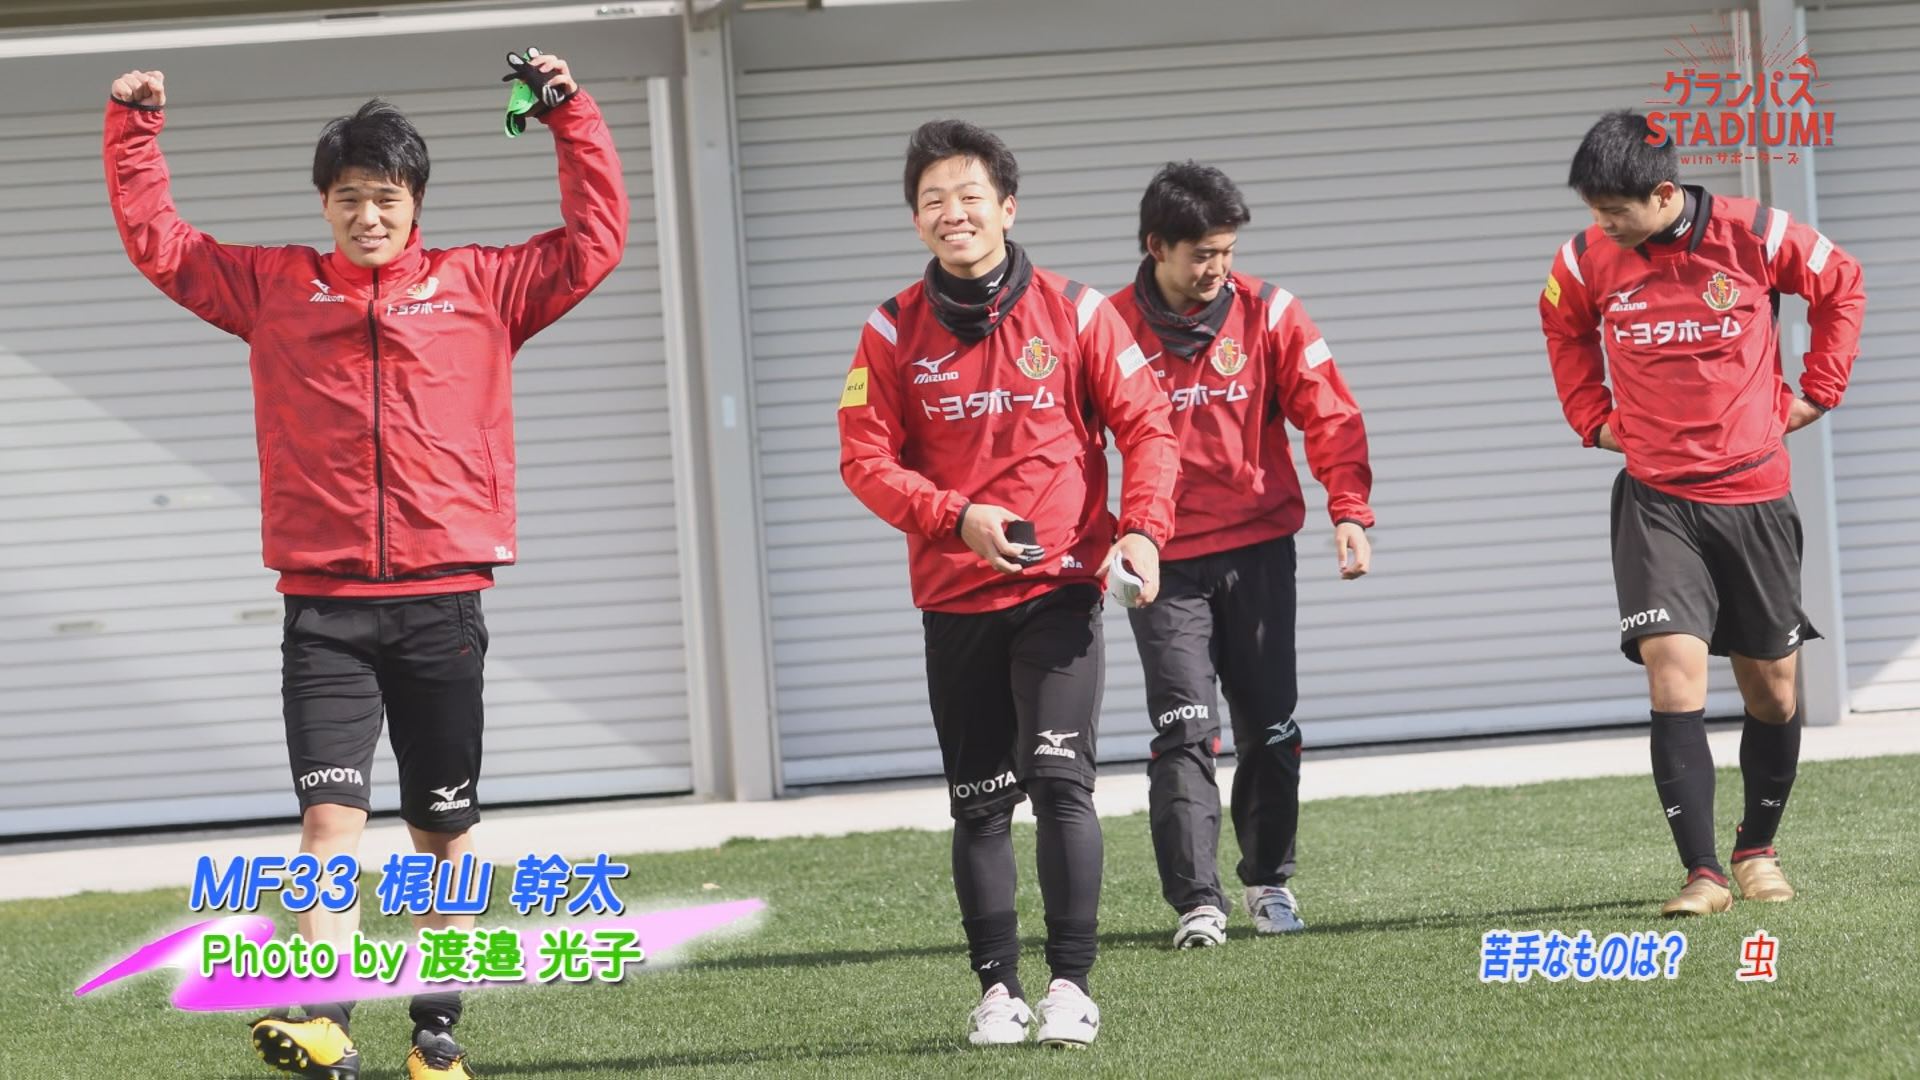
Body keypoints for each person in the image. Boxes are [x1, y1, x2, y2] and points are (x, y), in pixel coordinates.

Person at [104, 51, 627, 1079]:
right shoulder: (274, 288)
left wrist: (569, 113)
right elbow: (165, 247)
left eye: (385, 197)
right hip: (325, 609)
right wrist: (133, 132)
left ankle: (436, 1031)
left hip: (443, 601)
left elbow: (595, 240)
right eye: (348, 198)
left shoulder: (485, 285)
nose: (368, 215)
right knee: (327, 821)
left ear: (415, 201)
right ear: (324, 204)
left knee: (442, 832)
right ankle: (324, 1016)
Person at [837, 119, 1178, 1047]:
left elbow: (1148, 427)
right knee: (982, 802)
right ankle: (997, 991)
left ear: (1007, 207)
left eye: (970, 196)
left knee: (1062, 782)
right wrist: (957, 518)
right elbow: (864, 460)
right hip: (954, 598)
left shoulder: (1078, 312)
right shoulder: (889, 329)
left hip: (1060, 586)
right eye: (933, 201)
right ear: (916, 220)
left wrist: (1142, 531)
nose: (953, 213)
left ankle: (1070, 987)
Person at [1539, 110, 1863, 917]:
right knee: (1672, 672)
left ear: (1662, 193)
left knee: (1773, 692)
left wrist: (1820, 389)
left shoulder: (1755, 234)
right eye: (1594, 212)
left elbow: (1842, 282)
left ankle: (1757, 850)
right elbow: (1563, 328)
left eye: (1614, 211)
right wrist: (1591, 417)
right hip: (1658, 500)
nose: (1602, 226)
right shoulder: (1583, 260)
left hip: (1753, 496)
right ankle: (1702, 872)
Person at [1106, 162, 1374, 948]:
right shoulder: (1107, 325)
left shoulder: (1270, 313)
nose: (1217, 268)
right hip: (1162, 562)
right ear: (1156, 246)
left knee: (1270, 725)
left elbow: (1331, 416)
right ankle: (1198, 903)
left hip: (1259, 551)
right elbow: (1070, 444)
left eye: (1225, 251)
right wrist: (1102, 542)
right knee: (1185, 728)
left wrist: (1349, 510)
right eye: (1201, 255)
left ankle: (1267, 883)